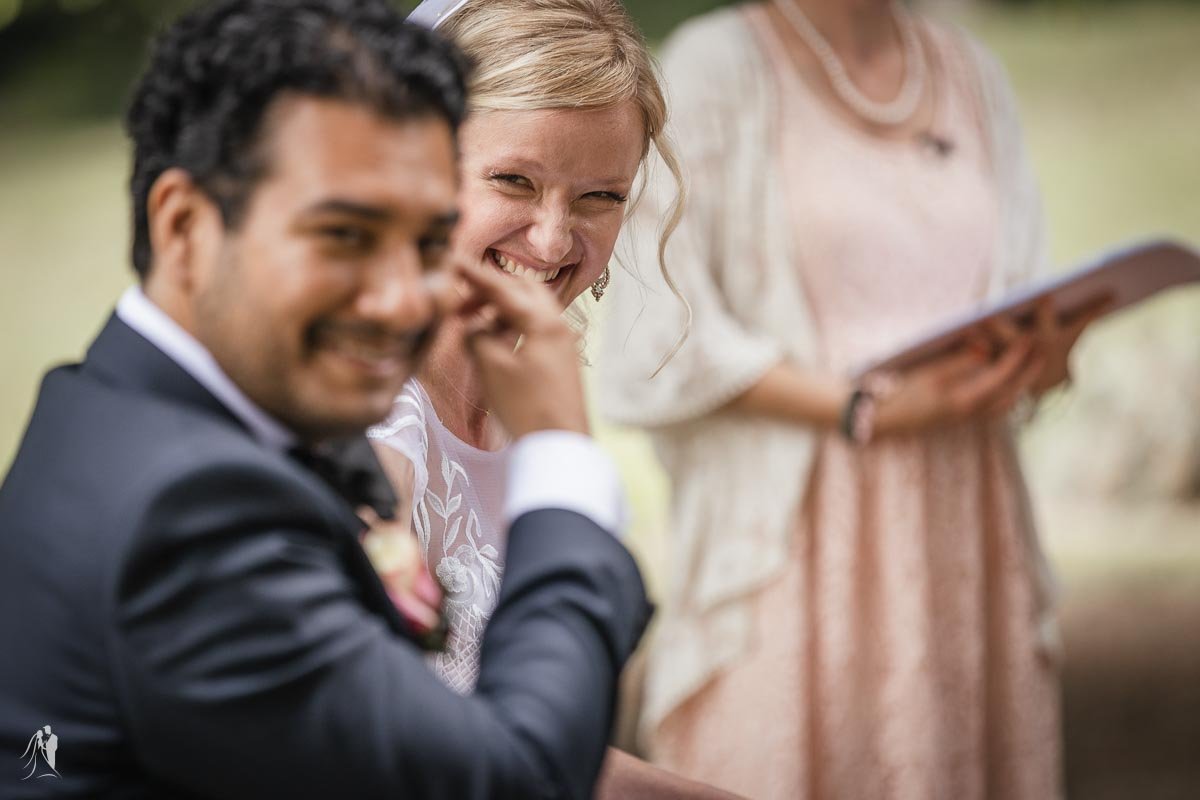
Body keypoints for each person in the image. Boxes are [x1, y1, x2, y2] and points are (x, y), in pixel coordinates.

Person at [0, 1, 652, 798]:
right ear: (183, 225)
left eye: (422, 242)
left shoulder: (121, 410)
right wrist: (562, 458)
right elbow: (503, 782)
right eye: (344, 236)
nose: (400, 299)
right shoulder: (190, 509)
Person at [601, 1, 1102, 798]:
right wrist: (857, 408)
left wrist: (1040, 356)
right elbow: (658, 334)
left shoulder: (969, 70)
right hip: (791, 542)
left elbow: (1022, 284)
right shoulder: (715, 68)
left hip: (965, 526)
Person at [367, 2, 737, 797]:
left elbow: (539, 750)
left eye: (601, 196)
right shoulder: (376, 426)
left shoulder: (519, 394)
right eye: (514, 182)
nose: (551, 240)